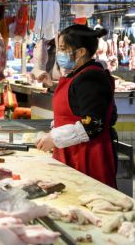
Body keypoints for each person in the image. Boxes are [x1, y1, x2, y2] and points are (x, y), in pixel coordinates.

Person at [36, 25, 118, 188]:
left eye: (63, 49)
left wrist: (55, 138)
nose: (59, 53)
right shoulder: (78, 75)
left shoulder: (91, 77)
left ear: (80, 52)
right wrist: (53, 132)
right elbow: (71, 113)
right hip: (72, 151)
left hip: (88, 156)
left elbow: (94, 124)